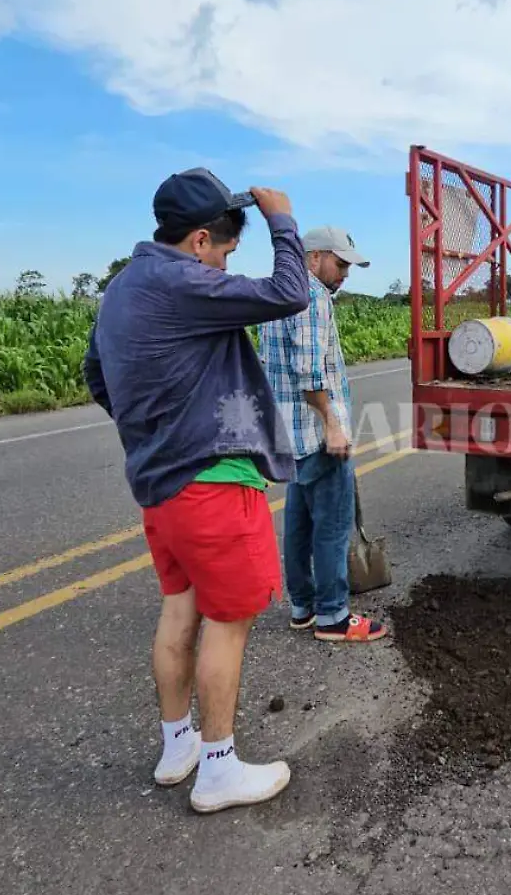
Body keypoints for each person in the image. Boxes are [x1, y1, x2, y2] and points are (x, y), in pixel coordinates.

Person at [83, 166, 310, 814]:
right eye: (225, 253)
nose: (224, 267)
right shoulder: (182, 278)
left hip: (160, 488)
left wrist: (151, 427)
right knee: (229, 624)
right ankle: (218, 769)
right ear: (201, 240)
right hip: (213, 482)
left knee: (179, 613)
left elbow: (95, 374)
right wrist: (281, 221)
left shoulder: (123, 288)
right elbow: (288, 292)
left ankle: (176, 744)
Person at [258, 225, 392, 643]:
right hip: (317, 434)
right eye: (340, 264)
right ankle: (333, 615)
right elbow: (309, 373)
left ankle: (303, 607)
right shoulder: (310, 297)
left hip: (290, 435)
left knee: (298, 521)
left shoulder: (277, 295)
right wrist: (334, 425)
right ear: (313, 258)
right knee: (332, 524)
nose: (345, 275)